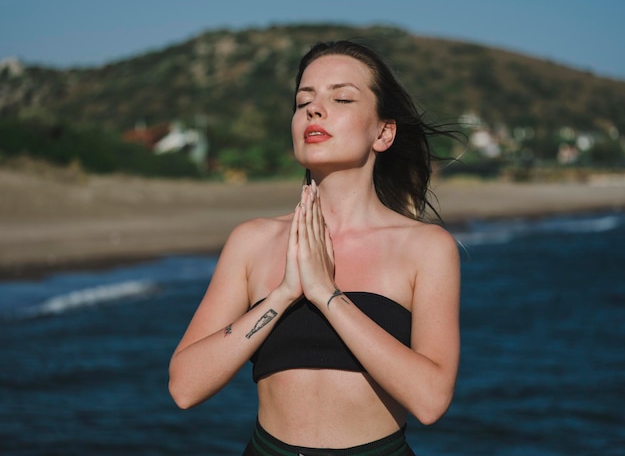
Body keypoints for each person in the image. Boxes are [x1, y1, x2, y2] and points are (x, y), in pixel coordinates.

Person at [169, 40, 461, 455]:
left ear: (384, 132)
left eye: (341, 98)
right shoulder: (252, 241)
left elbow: (430, 401)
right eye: (303, 100)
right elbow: (184, 386)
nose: (314, 109)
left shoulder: (426, 248)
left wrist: (327, 295)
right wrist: (283, 294)